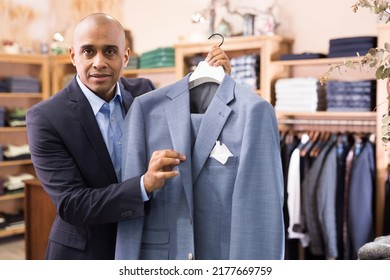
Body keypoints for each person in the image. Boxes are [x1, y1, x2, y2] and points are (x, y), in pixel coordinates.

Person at [26, 12, 232, 260]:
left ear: (125, 56)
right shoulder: (46, 117)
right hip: (86, 254)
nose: (99, 62)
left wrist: (218, 84)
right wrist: (143, 186)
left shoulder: (145, 93)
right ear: (73, 55)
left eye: (110, 51)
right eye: (88, 51)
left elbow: (191, 128)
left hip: (145, 246)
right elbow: (72, 205)